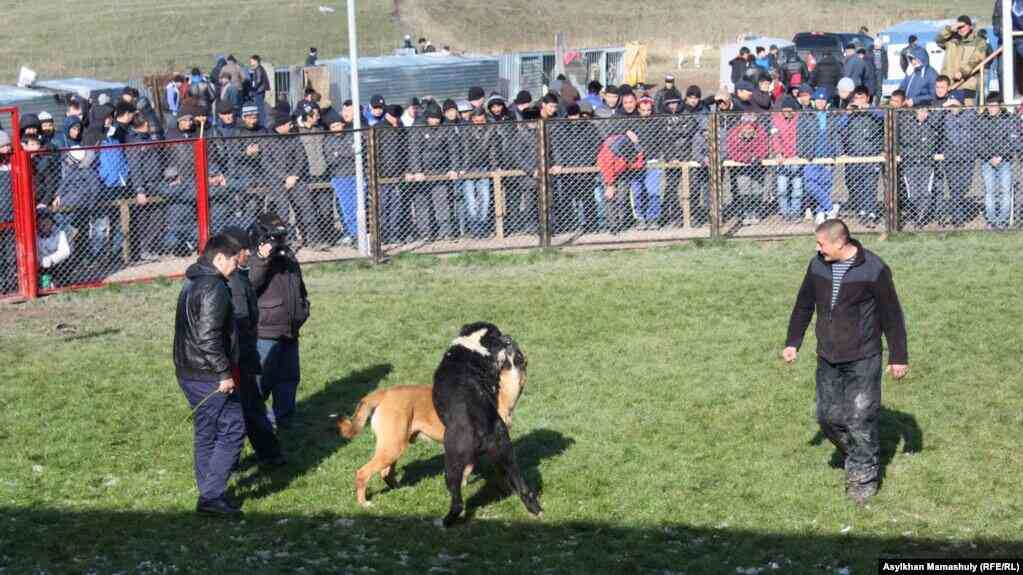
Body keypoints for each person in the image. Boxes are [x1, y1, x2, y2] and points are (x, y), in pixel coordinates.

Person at [783, 219, 908, 505]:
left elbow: (892, 313)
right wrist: (793, 342)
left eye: (821, 243)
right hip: (827, 355)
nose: (817, 248)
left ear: (839, 243)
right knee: (827, 417)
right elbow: (803, 304)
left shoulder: (874, 269)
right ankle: (860, 456)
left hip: (863, 356)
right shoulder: (817, 266)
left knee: (860, 417)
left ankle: (863, 478)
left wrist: (898, 356)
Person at [173, 232, 245, 515]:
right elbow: (208, 336)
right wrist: (224, 372)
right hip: (207, 374)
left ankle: (209, 491)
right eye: (233, 260)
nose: (237, 265)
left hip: (188, 371)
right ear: (218, 258)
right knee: (233, 428)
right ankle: (211, 496)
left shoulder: (191, 282)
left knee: (207, 429)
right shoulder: (214, 288)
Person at [221, 226, 285, 467]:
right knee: (245, 410)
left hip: (240, 357)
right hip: (238, 359)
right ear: (234, 252)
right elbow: (240, 322)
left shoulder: (237, 277)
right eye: (244, 249)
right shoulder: (234, 282)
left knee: (250, 408)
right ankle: (238, 459)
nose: (248, 252)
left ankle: (267, 454)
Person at [249, 213, 310, 429]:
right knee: (260, 382)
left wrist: (304, 307)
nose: (280, 242)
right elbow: (250, 284)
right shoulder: (254, 259)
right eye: (276, 238)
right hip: (266, 333)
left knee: (289, 378)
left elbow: (299, 285)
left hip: (290, 330)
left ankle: (284, 418)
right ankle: (255, 421)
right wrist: (263, 258)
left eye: (282, 238)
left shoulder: (288, 255)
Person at [976, 94, 1016, 229]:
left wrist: (1000, 157)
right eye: (989, 105)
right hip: (987, 162)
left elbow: (1013, 141)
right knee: (990, 191)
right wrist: (989, 157)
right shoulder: (982, 120)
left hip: (1005, 161)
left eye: (994, 105)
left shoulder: (1009, 119)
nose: (991, 108)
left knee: (1005, 190)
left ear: (1000, 106)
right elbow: (979, 142)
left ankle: (1003, 221)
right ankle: (992, 221)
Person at [936, 16, 988, 103]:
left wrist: (962, 72)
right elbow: (938, 40)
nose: (961, 29)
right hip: (949, 85)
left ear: (970, 26)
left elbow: (976, 59)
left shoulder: (979, 41)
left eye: (963, 26)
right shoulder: (951, 40)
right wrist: (950, 29)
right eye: (958, 27)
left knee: (968, 113)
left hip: (966, 84)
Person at [771, 96, 804, 222]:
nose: (787, 113)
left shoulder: (799, 119)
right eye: (784, 110)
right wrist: (779, 153)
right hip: (783, 159)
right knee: (782, 187)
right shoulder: (776, 120)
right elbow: (775, 138)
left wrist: (799, 153)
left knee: (797, 188)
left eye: (789, 110)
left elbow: (802, 137)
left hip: (796, 158)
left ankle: (795, 213)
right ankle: (785, 212)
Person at [35, 211, 71, 288]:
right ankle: (44, 283)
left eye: (47, 220)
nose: (44, 223)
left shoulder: (60, 233)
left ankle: (60, 282)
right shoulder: (34, 234)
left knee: (66, 261)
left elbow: (66, 251)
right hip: (40, 264)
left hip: (55, 262)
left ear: (52, 222)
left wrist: (51, 259)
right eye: (41, 220)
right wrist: (41, 260)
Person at [248, 55, 271, 127]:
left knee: (259, 108)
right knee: (260, 107)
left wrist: (253, 88)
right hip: (260, 90)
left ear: (256, 61)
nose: (250, 63)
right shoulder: (259, 68)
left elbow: (258, 80)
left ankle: (262, 124)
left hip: (259, 91)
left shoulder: (258, 69)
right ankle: (262, 123)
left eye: (251, 61)